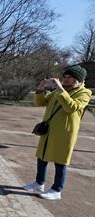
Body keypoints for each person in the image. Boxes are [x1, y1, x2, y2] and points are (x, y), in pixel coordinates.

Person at [23, 65, 92, 200]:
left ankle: (56, 190)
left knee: (60, 161)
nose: (65, 79)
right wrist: (41, 90)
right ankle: (39, 183)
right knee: (42, 156)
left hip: (64, 132)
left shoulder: (84, 93)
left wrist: (60, 89)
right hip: (49, 129)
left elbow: (71, 107)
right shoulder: (58, 91)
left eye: (69, 77)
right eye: (65, 77)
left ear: (77, 79)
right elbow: (41, 102)